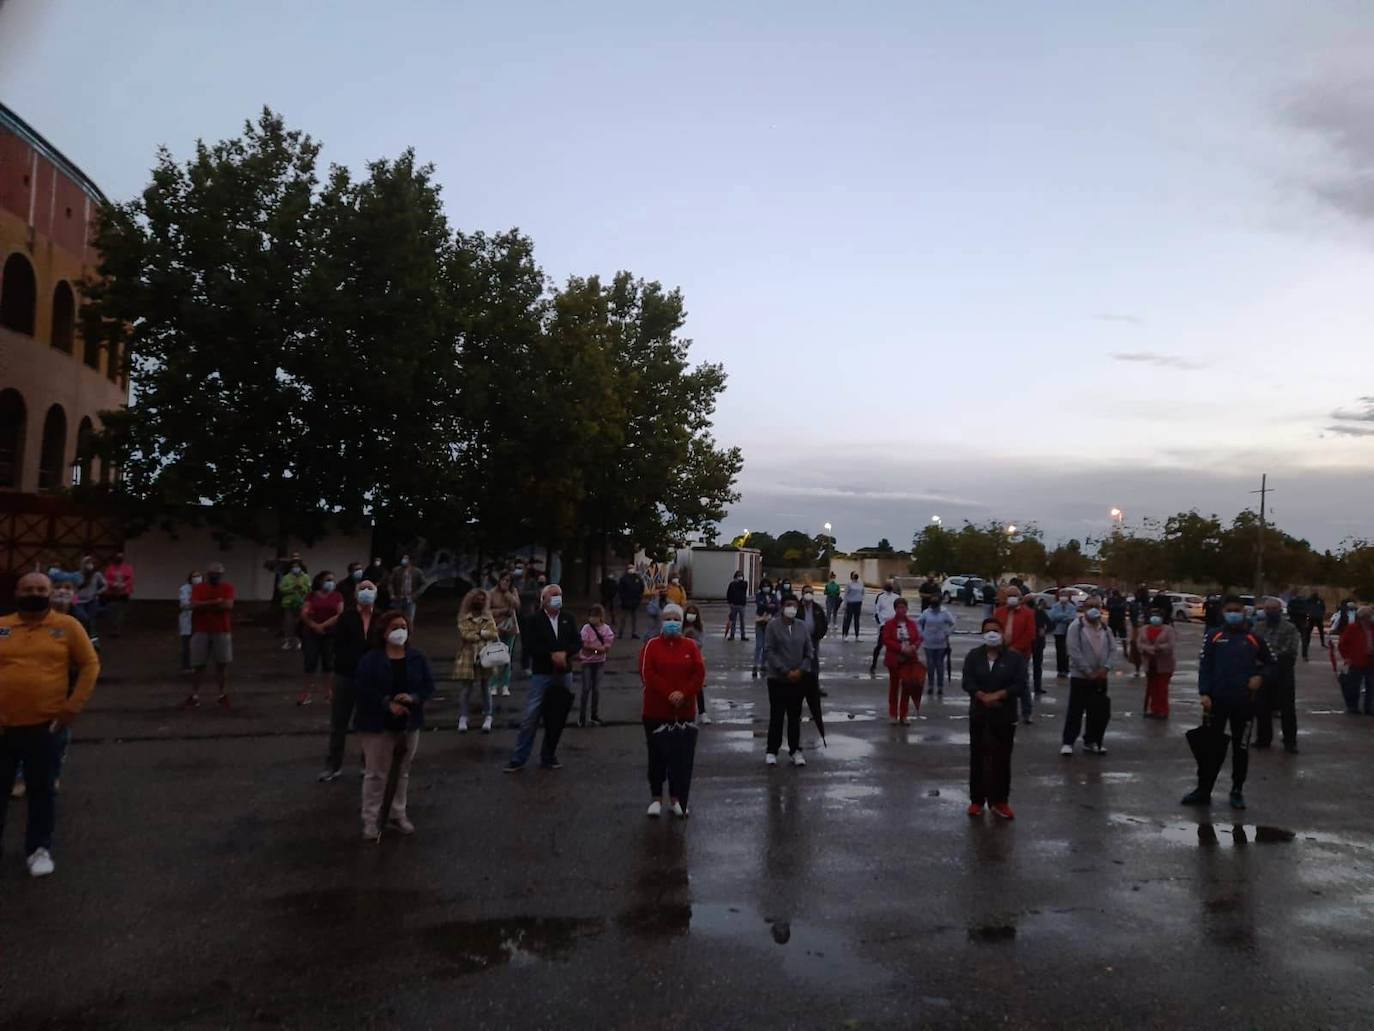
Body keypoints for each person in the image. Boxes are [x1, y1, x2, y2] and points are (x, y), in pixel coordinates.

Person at [0, 572, 100, 877]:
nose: (35, 593)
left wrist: (72, 707)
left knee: (41, 791)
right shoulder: (2, 626)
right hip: (3, 727)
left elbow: (90, 664)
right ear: (17, 593)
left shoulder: (67, 626)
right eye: (28, 588)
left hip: (45, 727)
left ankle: (38, 849)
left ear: (51, 592)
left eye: (41, 589)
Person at [1183, 596, 1275, 810]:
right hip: (1216, 702)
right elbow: (1205, 665)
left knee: (1240, 749)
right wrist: (1204, 692)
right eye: (1230, 610)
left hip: (1244, 703)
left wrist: (1261, 677)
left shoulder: (1254, 639)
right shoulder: (1213, 636)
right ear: (1223, 612)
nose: (1233, 613)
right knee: (1210, 748)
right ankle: (1203, 790)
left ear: (1244, 612)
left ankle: (1237, 790)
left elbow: (1272, 664)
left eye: (1237, 610)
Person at [353, 610, 435, 839]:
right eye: (395, 627)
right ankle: (371, 819)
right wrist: (387, 704)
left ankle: (397, 813)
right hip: (377, 724)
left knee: (402, 772)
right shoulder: (371, 659)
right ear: (384, 632)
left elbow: (428, 686)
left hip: (408, 724)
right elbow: (362, 689)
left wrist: (414, 698)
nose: (400, 631)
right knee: (376, 773)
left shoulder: (417, 657)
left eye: (404, 626)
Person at [504, 584, 580, 772]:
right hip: (542, 673)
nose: (557, 599)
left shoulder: (568, 619)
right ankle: (519, 757)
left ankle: (549, 755)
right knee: (531, 716)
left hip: (564, 673)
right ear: (543, 599)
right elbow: (529, 646)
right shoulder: (533, 620)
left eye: (560, 595)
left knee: (557, 717)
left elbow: (577, 642)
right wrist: (551, 655)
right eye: (553, 595)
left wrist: (565, 653)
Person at [640, 603, 705, 817]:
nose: (672, 623)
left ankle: (677, 799)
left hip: (683, 712)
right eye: (668, 619)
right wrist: (669, 693)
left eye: (676, 619)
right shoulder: (651, 645)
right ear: (661, 621)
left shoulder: (690, 646)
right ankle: (656, 798)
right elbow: (647, 673)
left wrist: (683, 693)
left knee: (680, 759)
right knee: (656, 756)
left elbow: (699, 673)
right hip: (656, 711)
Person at [962, 616, 1027, 820]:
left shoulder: (1014, 658)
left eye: (995, 630)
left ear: (1001, 634)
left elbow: (1020, 684)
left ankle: (1000, 801)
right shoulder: (974, 656)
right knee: (978, 757)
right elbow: (968, 682)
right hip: (979, 714)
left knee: (1002, 758)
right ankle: (977, 800)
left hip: (1004, 715)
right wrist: (981, 696)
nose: (992, 634)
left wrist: (998, 695)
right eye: (988, 630)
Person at [320, 579, 378, 781]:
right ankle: (333, 766)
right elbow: (338, 646)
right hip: (346, 675)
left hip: (372, 678)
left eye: (370, 588)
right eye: (362, 588)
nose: (366, 591)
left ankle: (367, 765)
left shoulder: (381, 618)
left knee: (369, 723)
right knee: (339, 723)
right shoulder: (346, 617)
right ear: (355, 595)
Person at [763, 594, 814, 766]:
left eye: (794, 605)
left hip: (798, 679)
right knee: (777, 716)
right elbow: (769, 651)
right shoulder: (773, 626)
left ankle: (795, 750)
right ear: (782, 607)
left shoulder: (801, 626)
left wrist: (801, 670)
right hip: (777, 679)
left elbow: (809, 651)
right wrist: (785, 671)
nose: (791, 609)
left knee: (795, 716)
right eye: (788, 605)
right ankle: (772, 750)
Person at [1061, 597, 1116, 756]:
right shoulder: (1076, 627)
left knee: (1097, 711)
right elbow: (1074, 651)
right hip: (1081, 676)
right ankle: (1068, 742)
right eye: (1090, 606)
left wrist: (1106, 668)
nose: (1093, 609)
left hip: (1100, 677)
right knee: (1075, 710)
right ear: (1084, 608)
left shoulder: (1105, 628)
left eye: (1097, 606)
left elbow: (1113, 649)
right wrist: (1087, 671)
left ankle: (1092, 741)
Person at [185, 562, 235, 709]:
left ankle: (222, 694)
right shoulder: (199, 588)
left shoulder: (227, 587)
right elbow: (193, 604)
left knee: (222, 664)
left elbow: (228, 605)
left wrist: (204, 604)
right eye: (213, 573)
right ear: (208, 574)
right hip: (201, 629)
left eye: (218, 574)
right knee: (198, 664)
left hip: (222, 630)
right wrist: (215, 602)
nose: (216, 576)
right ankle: (194, 695)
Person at [1254, 597, 1300, 752]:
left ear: (1280, 610)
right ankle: (1263, 739)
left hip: (1283, 672)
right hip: (1263, 673)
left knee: (1287, 709)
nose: (1270, 612)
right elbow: (1253, 648)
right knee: (1262, 707)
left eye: (1274, 609)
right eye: (1267, 609)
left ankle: (1290, 742)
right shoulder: (1258, 628)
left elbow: (1290, 650)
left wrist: (1269, 658)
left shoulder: (1289, 628)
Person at [455, 588, 500, 734]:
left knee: (486, 687)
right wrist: (482, 634)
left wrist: (479, 633)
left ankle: (488, 716)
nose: (479, 601)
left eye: (482, 599)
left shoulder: (488, 616)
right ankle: (463, 717)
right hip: (468, 655)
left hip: (485, 655)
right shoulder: (464, 616)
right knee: (466, 689)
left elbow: (493, 633)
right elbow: (465, 634)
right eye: (477, 598)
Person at [298, 571, 344, 707]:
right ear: (320, 581)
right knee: (310, 662)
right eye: (327, 580)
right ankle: (306, 692)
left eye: (332, 580)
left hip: (330, 634)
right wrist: (314, 626)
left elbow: (340, 614)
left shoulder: (337, 596)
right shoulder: (311, 596)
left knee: (328, 664)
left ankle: (328, 692)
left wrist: (323, 625)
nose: (331, 583)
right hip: (311, 634)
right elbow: (304, 612)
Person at [994, 588, 1038, 724]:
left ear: (1020, 597)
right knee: (1000, 682)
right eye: (1009, 596)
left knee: (1022, 682)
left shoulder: (1028, 613)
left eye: (1014, 596)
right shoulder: (999, 612)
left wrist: (1015, 648)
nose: (1011, 598)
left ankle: (1026, 712)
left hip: (1021, 654)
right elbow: (994, 629)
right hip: (1001, 652)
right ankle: (1002, 711)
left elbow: (1030, 634)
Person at [880, 597, 924, 724]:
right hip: (895, 659)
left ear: (907, 609)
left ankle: (903, 715)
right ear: (895, 609)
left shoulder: (912, 623)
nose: (901, 610)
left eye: (903, 607)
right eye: (899, 608)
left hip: (909, 659)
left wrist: (914, 647)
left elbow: (918, 638)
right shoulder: (889, 624)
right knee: (894, 687)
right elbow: (886, 640)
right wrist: (901, 648)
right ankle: (893, 714)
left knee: (907, 687)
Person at [578, 604, 616, 727]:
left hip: (599, 662)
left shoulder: (606, 630)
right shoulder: (586, 628)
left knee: (596, 690)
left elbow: (606, 648)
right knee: (585, 689)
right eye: (591, 616)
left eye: (595, 616)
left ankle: (594, 715)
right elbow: (584, 645)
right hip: (587, 663)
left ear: (600, 617)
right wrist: (597, 650)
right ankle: (582, 717)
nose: (592, 618)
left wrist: (593, 649)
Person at [1136, 604, 1176, 718]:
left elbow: (1170, 645)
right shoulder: (1144, 629)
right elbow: (1139, 643)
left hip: (1164, 664)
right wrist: (1147, 649)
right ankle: (1154, 709)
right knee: (1152, 688)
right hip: (1150, 663)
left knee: (1162, 688)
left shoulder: (1168, 630)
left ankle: (1163, 710)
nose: (1155, 618)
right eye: (1153, 615)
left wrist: (1158, 649)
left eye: (1157, 615)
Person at [1337, 605, 1374, 716]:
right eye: (1369, 615)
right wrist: (1347, 657)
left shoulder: (1372, 628)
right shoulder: (1353, 628)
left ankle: (1369, 707)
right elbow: (1342, 644)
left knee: (1371, 686)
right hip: (1355, 661)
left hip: (1371, 661)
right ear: (1363, 617)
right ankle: (1352, 707)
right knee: (1353, 686)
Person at [489, 572, 521, 698]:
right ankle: (494, 684)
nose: (505, 582)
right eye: (503, 580)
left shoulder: (513, 591)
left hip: (510, 628)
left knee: (506, 657)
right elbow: (487, 610)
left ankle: (505, 685)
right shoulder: (492, 593)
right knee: (496, 656)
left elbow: (517, 606)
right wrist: (502, 611)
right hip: (496, 627)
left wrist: (508, 594)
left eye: (508, 581)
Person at [918, 597, 956, 698]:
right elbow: (919, 623)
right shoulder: (926, 612)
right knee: (930, 665)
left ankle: (940, 687)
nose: (934, 608)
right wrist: (921, 634)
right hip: (928, 642)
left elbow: (953, 624)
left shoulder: (945, 613)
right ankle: (930, 686)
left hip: (941, 643)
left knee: (939, 665)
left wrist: (947, 633)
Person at [278, 560, 311, 651]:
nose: (295, 568)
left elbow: (309, 589)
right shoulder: (286, 578)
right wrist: (292, 588)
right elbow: (282, 589)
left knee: (300, 623)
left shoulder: (306, 577)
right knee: (289, 623)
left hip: (301, 603)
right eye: (293, 567)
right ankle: (288, 641)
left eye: (297, 566)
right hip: (289, 604)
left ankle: (299, 641)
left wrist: (302, 587)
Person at [869, 580, 901, 675]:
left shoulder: (897, 597)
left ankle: (898, 664)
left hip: (895, 624)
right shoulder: (880, 597)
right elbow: (876, 610)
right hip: (884, 624)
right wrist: (880, 623)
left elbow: (900, 610)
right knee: (880, 645)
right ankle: (873, 665)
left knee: (897, 646)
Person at [101, 551, 135, 636]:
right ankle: (113, 626)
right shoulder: (110, 568)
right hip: (112, 593)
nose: (119, 559)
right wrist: (113, 584)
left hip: (124, 593)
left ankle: (117, 628)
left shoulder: (128, 568)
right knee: (111, 611)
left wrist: (124, 584)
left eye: (121, 557)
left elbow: (131, 579)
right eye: (118, 557)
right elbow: (106, 579)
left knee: (121, 612)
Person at [752, 580, 779, 679]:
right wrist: (768, 606)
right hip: (760, 622)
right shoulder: (759, 595)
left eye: (768, 586)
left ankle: (763, 664)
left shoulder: (773, 596)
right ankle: (755, 665)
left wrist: (768, 606)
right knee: (759, 645)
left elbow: (776, 607)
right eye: (764, 586)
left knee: (766, 646)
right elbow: (760, 606)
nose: (766, 588)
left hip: (769, 622)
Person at [389, 555, 423, 626]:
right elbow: (390, 583)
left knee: (409, 619)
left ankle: (408, 634)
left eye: (406, 559)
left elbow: (424, 584)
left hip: (410, 599)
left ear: (410, 561)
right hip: (398, 599)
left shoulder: (417, 571)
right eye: (403, 558)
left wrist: (417, 594)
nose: (404, 560)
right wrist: (392, 594)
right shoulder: (396, 570)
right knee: (397, 618)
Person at [72, 556, 106, 629]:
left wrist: (98, 592)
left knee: (91, 620)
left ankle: (90, 636)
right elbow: (73, 589)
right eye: (87, 563)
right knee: (83, 618)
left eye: (91, 563)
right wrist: (73, 602)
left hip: (92, 601)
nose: (89, 565)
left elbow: (105, 585)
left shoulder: (97, 575)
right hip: (79, 602)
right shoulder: (76, 575)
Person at [177, 570, 200, 672]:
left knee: (198, 644)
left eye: (198, 576)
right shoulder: (185, 589)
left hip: (199, 620)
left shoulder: (203, 589)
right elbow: (184, 605)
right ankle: (186, 666)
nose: (196, 578)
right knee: (186, 645)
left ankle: (196, 664)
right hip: (187, 620)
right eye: (194, 576)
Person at [617, 565, 645, 639]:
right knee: (623, 618)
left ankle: (634, 633)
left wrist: (639, 598)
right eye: (630, 568)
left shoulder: (637, 578)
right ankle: (620, 633)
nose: (631, 569)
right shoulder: (624, 578)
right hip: (625, 602)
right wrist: (623, 599)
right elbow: (620, 590)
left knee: (634, 619)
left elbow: (642, 588)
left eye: (632, 568)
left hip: (635, 602)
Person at [1032, 597, 1052, 697]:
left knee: (1037, 666)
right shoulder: (1036, 612)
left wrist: (1044, 631)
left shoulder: (1039, 613)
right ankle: (1035, 687)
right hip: (1029, 642)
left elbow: (1051, 624)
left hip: (1037, 642)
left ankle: (1037, 687)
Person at [725, 570, 750, 641]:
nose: (740, 577)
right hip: (734, 605)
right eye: (738, 576)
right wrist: (730, 602)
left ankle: (743, 635)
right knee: (733, 621)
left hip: (742, 605)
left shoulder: (744, 583)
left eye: (741, 575)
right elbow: (729, 593)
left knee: (742, 621)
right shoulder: (732, 584)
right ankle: (732, 635)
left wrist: (738, 582)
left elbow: (743, 587)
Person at [842, 572, 865, 639]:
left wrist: (861, 599)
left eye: (856, 574)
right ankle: (845, 635)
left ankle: (857, 636)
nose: (856, 575)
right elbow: (846, 594)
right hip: (850, 603)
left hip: (858, 603)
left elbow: (863, 592)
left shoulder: (860, 583)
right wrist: (845, 604)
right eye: (854, 574)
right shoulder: (849, 584)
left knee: (857, 620)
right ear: (851, 576)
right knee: (848, 619)